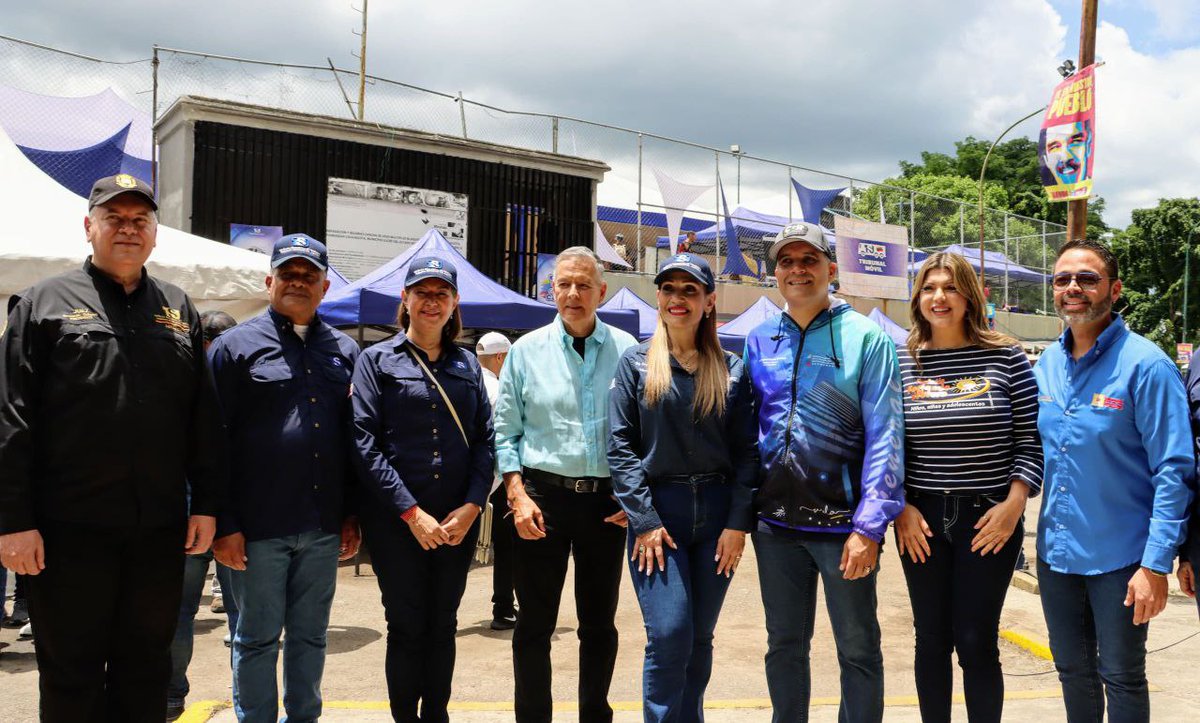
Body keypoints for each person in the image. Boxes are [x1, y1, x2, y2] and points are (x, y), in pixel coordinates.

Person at [0, 174, 224, 721]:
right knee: (70, 673)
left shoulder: (177, 308)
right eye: (115, 219)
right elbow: (11, 416)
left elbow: (203, 419)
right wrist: (13, 520)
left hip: (156, 530)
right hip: (67, 531)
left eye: (139, 221)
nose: (127, 229)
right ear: (89, 227)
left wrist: (209, 505)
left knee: (146, 669)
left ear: (154, 234)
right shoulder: (43, 303)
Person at [743, 221, 904, 723]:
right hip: (775, 528)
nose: (797, 270)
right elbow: (748, 429)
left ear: (830, 269)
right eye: (786, 261)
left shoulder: (866, 338)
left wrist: (869, 526)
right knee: (783, 645)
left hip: (844, 528)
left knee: (857, 649)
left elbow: (887, 437)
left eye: (808, 260)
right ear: (775, 274)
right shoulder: (759, 338)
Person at [1034, 238, 1194, 722]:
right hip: (1056, 557)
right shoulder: (1045, 365)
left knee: (1122, 676)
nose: (1073, 288)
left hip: (1122, 561)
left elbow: (1175, 469)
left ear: (1115, 289)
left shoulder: (1147, 365)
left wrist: (1155, 564)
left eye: (1087, 278)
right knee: (1071, 672)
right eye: (1063, 279)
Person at [209, 234, 362, 723]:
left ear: (324, 286)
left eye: (309, 276)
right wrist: (225, 523)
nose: (298, 282)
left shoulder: (344, 350)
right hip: (256, 529)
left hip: (321, 526)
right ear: (269, 280)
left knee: (311, 636)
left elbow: (354, 441)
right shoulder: (234, 347)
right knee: (254, 639)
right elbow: (210, 443)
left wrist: (351, 515)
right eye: (289, 274)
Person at [893, 252, 1043, 723]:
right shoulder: (900, 359)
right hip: (921, 519)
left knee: (977, 640)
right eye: (930, 287)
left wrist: (1015, 503)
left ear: (969, 297)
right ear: (917, 297)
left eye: (951, 287)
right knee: (930, 639)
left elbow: (1031, 439)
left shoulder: (1006, 356)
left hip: (989, 517)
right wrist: (899, 507)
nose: (940, 297)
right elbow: (884, 443)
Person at [608, 253, 758, 721]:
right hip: (661, 514)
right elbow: (620, 447)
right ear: (659, 298)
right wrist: (645, 521)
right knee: (670, 632)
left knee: (699, 638)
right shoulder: (635, 364)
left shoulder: (731, 368)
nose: (678, 298)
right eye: (669, 289)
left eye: (690, 290)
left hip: (715, 514)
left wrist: (737, 524)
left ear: (709, 301)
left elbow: (748, 452)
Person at [494, 246, 637, 723]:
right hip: (541, 500)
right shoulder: (524, 352)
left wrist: (635, 494)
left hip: (607, 504)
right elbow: (506, 432)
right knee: (534, 624)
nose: (573, 293)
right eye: (563, 284)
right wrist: (516, 495)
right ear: (550, 290)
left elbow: (646, 428)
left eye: (583, 285)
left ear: (601, 291)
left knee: (599, 625)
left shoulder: (629, 351)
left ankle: (595, 713)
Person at [351, 256, 494, 722]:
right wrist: (411, 513)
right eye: (422, 293)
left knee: (444, 625)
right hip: (398, 523)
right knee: (406, 625)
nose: (431, 302)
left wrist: (474, 504)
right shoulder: (376, 361)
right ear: (405, 300)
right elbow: (364, 442)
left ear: (454, 304)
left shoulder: (468, 365)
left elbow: (486, 440)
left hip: (456, 520)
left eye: (441, 294)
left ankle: (437, 715)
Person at [167, 309, 240, 720]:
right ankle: (241, 690)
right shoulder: (240, 381)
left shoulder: (184, 381)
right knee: (238, 614)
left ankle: (172, 695)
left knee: (182, 611)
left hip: (195, 512)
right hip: (220, 515)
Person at [477, 331, 518, 631]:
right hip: (497, 479)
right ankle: (503, 608)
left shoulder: (466, 381)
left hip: (461, 479)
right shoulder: (499, 389)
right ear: (502, 357)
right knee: (508, 547)